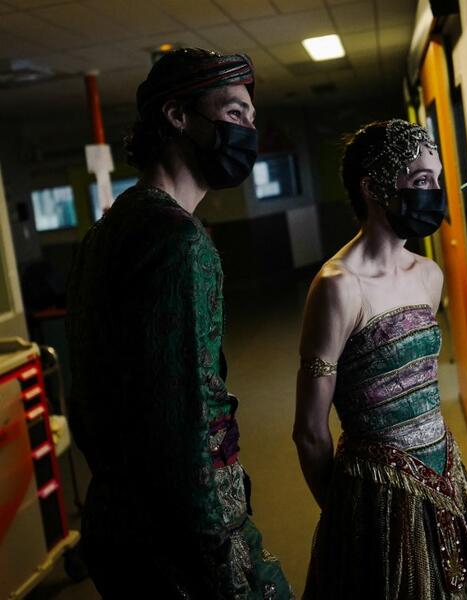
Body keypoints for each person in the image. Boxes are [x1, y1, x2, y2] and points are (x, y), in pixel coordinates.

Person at [66, 48, 292, 599]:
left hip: (117, 520)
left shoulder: (107, 230)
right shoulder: (180, 243)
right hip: (181, 542)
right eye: (234, 113)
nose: (247, 132)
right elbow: (187, 418)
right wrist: (220, 557)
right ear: (177, 116)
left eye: (251, 119)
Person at [294, 119, 467, 599]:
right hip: (374, 495)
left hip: (447, 471)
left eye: (437, 179)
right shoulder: (337, 287)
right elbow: (309, 431)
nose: (434, 192)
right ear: (372, 188)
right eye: (421, 180)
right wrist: (345, 520)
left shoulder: (429, 275)